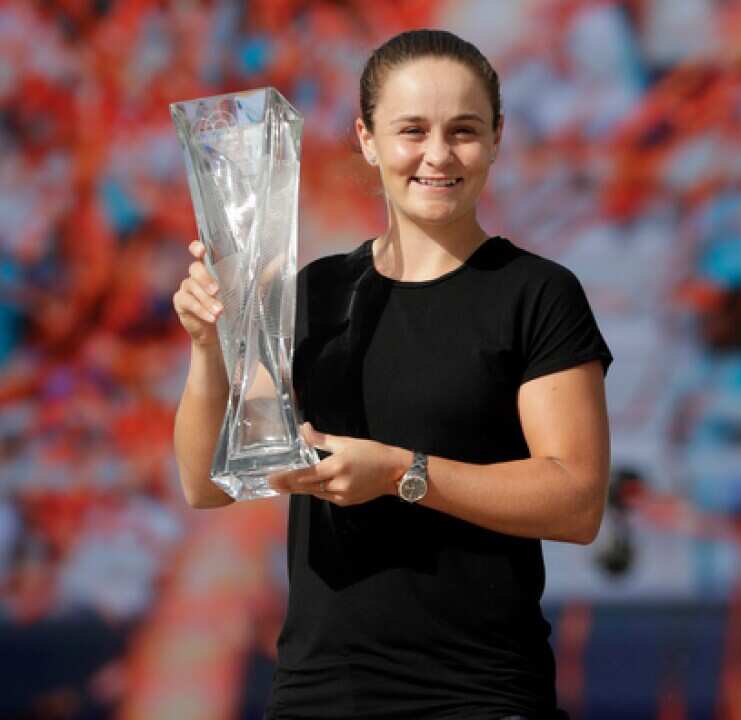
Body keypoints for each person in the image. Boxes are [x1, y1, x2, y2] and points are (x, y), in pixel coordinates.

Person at [171, 29, 613, 719]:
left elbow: (577, 500)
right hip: (318, 692)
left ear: (496, 138)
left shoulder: (537, 295)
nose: (438, 154)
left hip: (481, 693)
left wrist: (401, 473)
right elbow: (206, 486)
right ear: (367, 139)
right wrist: (208, 347)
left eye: (463, 130)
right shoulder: (312, 294)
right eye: (412, 130)